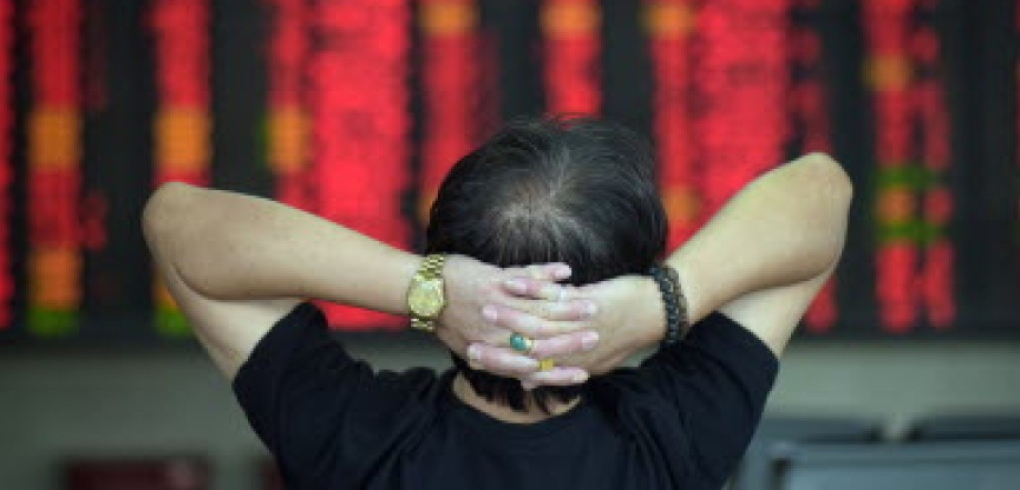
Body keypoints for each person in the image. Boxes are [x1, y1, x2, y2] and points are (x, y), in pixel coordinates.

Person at [142, 116, 851, 489]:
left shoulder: (357, 439)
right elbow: (823, 191)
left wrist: (422, 290)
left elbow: (176, 224)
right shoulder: (674, 433)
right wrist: (665, 303)